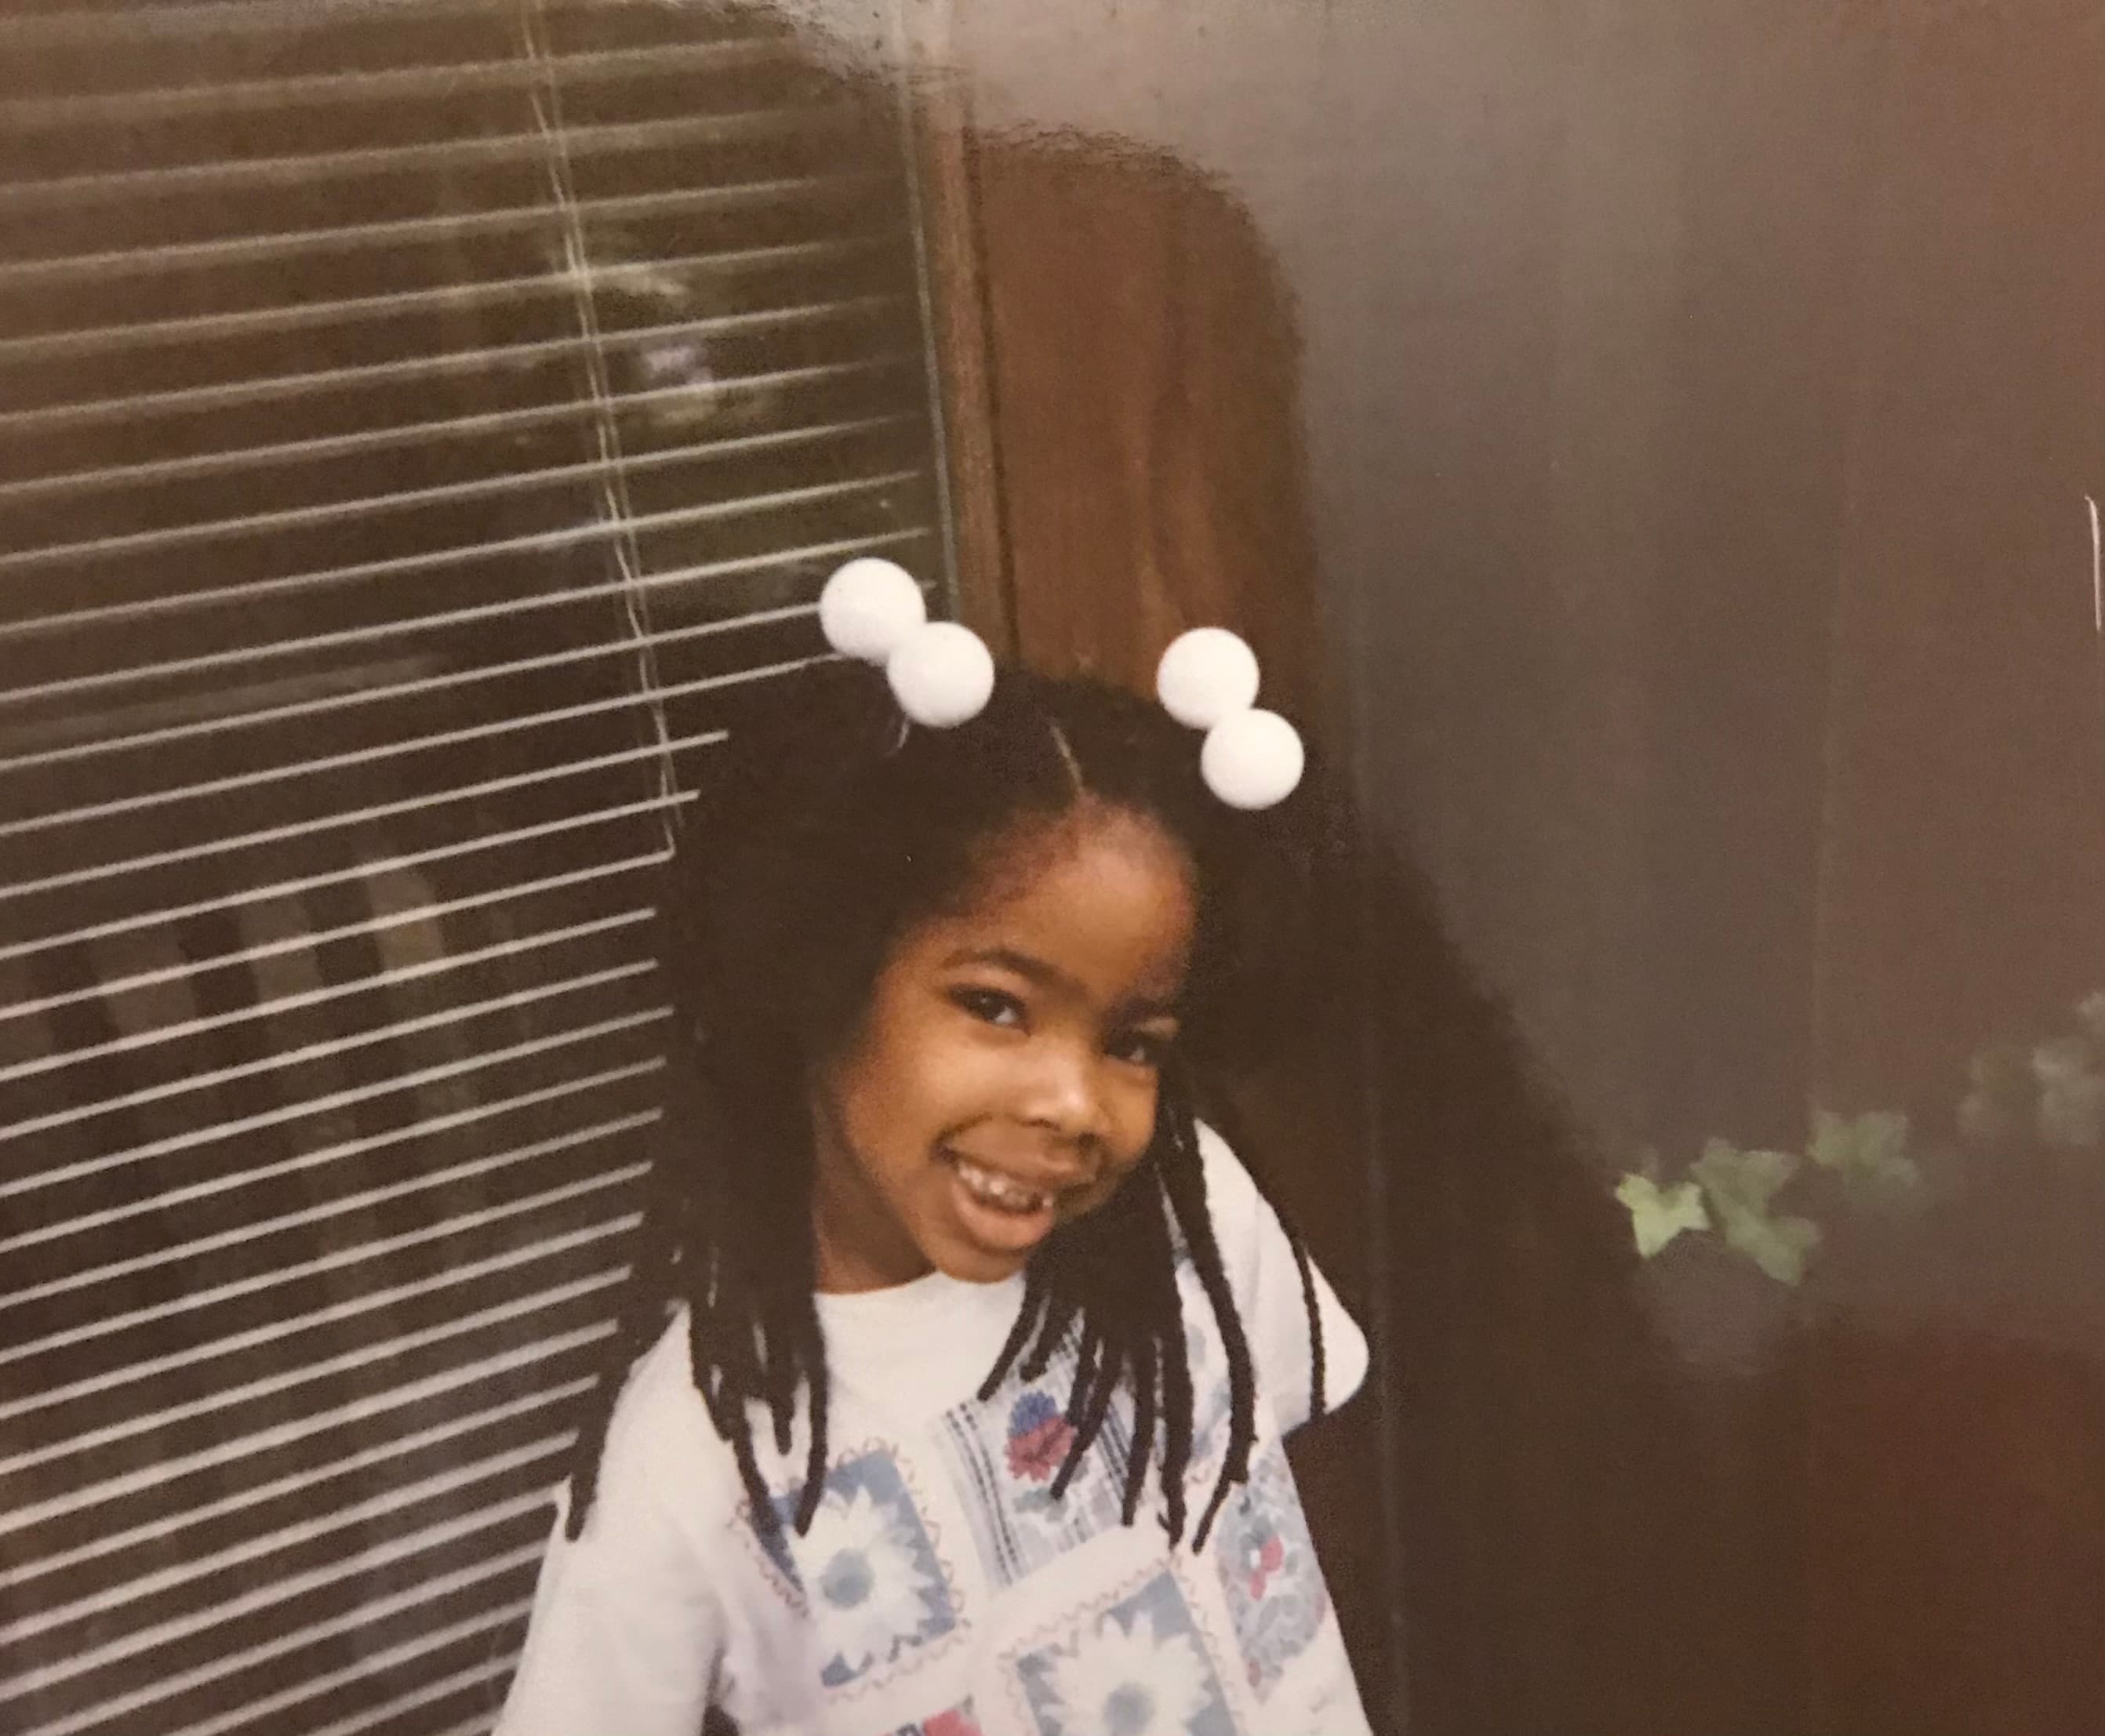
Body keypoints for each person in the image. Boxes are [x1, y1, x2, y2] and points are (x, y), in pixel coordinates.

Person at [495, 565, 1372, 1734]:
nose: (1074, 1101)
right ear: (824, 978)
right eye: (997, 1006)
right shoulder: (692, 1465)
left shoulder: (1191, 1208)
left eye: (1133, 1041)